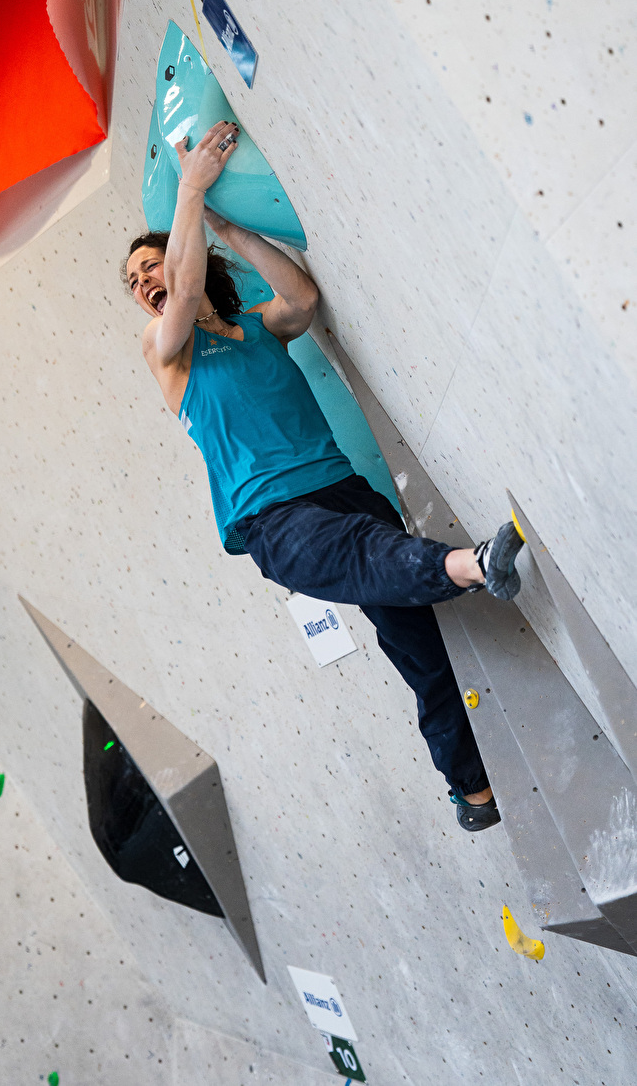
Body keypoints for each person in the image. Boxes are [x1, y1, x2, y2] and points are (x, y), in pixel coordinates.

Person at [124, 119, 523, 831]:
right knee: (366, 558)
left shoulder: (253, 327)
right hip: (272, 521)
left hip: (340, 488)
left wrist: (224, 226)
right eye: (132, 282)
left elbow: (302, 299)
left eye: (149, 266)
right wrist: (187, 189)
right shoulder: (165, 350)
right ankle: (472, 564)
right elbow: (183, 296)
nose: (143, 283)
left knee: (418, 650)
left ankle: (470, 791)